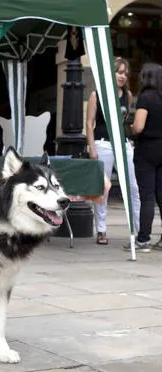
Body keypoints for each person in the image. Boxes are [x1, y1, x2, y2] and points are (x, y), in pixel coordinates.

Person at [86, 57, 140, 246]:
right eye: (119, 72)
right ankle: (101, 230)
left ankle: (138, 230)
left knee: (133, 186)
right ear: (111, 72)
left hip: (124, 144)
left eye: (125, 73)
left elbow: (127, 121)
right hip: (103, 143)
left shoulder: (128, 95)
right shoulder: (97, 94)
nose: (123, 76)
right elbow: (89, 122)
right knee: (104, 188)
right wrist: (91, 147)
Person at [129, 62, 162, 252]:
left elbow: (139, 126)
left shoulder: (145, 98)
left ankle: (143, 239)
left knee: (147, 196)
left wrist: (132, 129)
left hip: (147, 151)